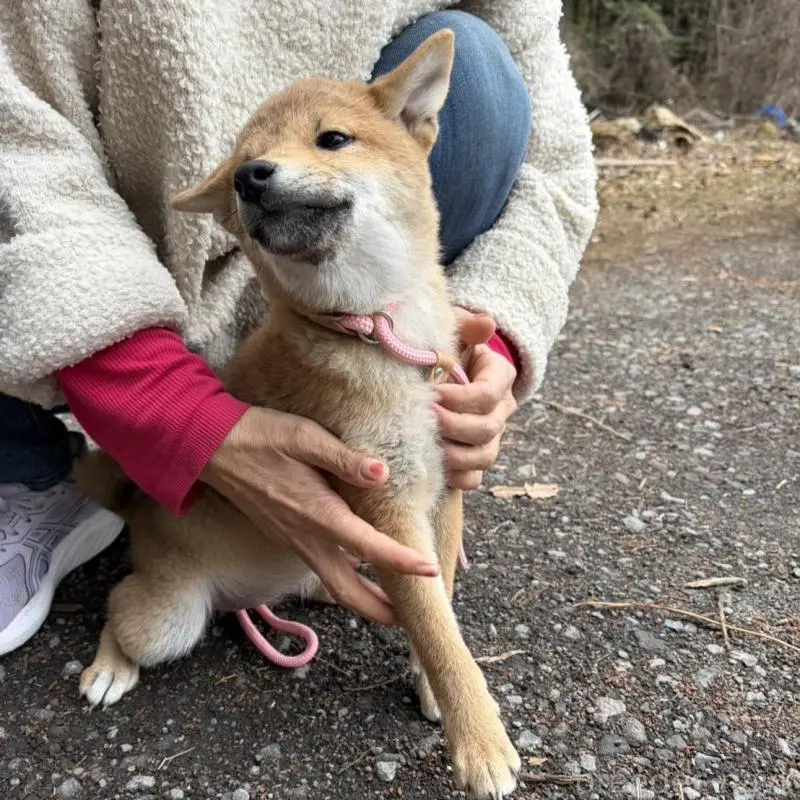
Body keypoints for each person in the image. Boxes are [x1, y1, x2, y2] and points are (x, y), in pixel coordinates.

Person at [0, 1, 598, 655]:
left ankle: (398, 420)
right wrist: (167, 408)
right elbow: (22, 144)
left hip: (373, 308)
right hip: (166, 307)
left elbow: (555, 164)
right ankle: (25, 467)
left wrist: (494, 333)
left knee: (481, 69)